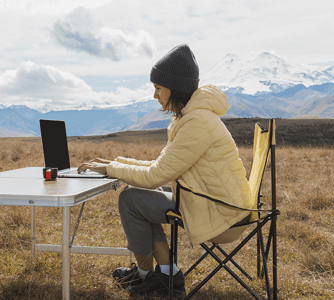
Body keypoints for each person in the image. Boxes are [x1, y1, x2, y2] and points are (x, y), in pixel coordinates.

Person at [78, 44, 254, 296]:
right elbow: (160, 167)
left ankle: (148, 275)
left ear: (175, 86)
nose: (155, 95)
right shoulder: (193, 117)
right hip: (221, 205)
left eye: (158, 88)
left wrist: (112, 169)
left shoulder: (196, 123)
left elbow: (155, 176)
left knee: (131, 199)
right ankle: (162, 274)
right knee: (138, 194)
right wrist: (114, 164)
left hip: (222, 215)